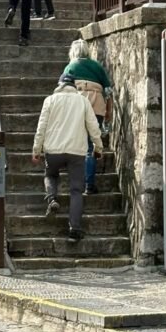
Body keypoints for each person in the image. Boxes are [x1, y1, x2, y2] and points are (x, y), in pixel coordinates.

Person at [32, 73, 103, 242]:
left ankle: (52, 199)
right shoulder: (83, 101)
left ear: (59, 85)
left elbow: (41, 127)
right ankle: (74, 229)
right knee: (76, 190)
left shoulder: (50, 100)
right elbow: (93, 127)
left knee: (50, 175)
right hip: (77, 152)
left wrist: (36, 150)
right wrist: (98, 148)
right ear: (74, 86)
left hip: (53, 151)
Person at [62, 40, 113, 195]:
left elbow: (62, 90)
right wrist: (109, 111)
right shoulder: (97, 66)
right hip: (97, 106)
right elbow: (108, 90)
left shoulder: (70, 67)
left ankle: (77, 182)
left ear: (73, 52)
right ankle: (89, 185)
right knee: (90, 147)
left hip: (77, 105)